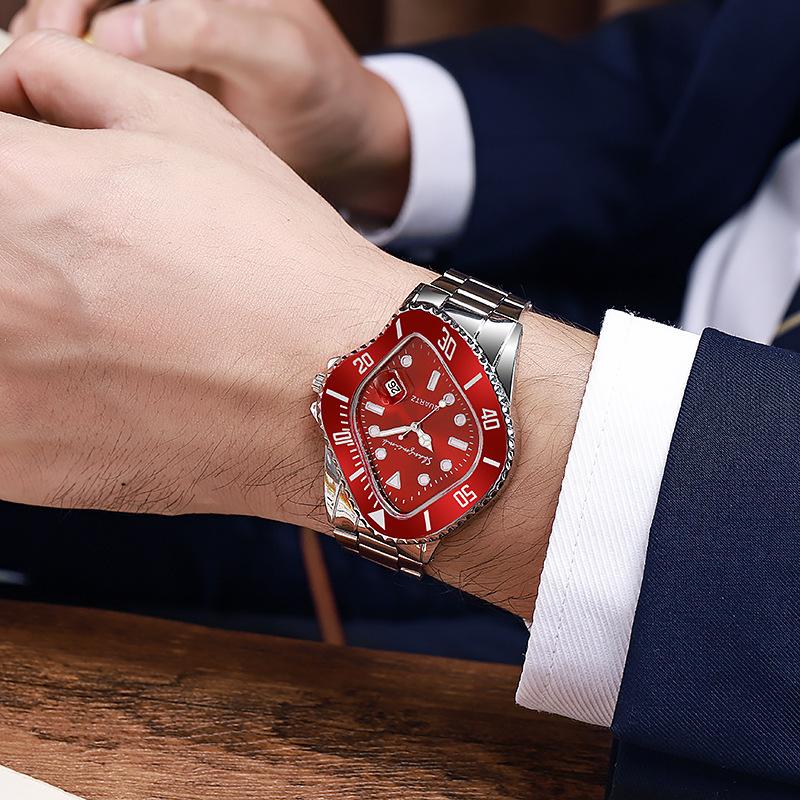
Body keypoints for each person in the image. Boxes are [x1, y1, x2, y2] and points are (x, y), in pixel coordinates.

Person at [5, 1, 800, 797]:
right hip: (528, 303)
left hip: (692, 638)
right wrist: (388, 131)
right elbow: (715, 79)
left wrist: (308, 340)